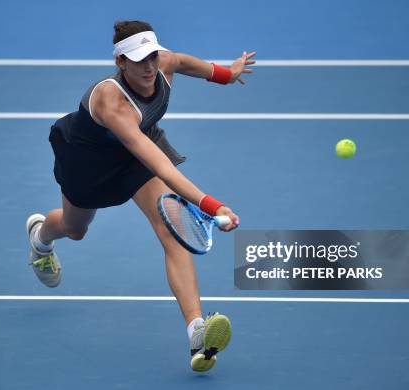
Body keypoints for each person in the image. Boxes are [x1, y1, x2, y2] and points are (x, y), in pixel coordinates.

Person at [26, 20, 255, 372]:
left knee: (172, 230)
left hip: (136, 153)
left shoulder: (164, 64)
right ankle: (41, 237)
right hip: (88, 162)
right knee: (75, 229)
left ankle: (197, 331)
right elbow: (164, 168)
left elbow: (186, 62)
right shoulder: (112, 103)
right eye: (138, 60)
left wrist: (227, 73)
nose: (148, 67)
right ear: (120, 62)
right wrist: (212, 206)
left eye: (151, 56)